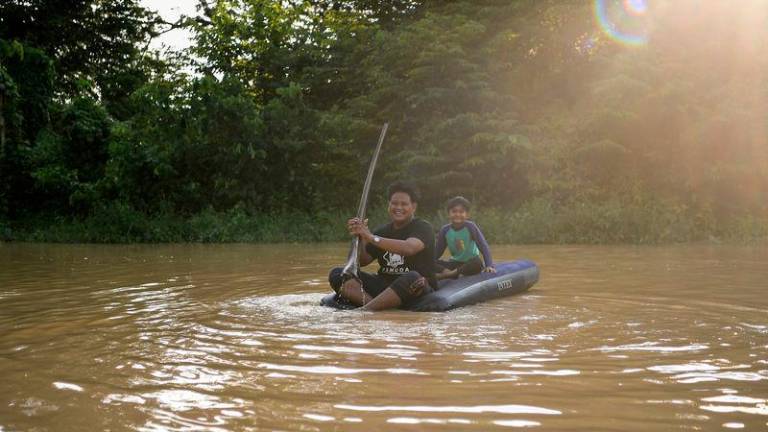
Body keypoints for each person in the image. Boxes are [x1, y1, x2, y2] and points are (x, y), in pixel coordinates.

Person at [328, 182, 437, 311]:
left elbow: (409, 248)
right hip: (385, 285)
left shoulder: (423, 227)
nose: (398, 207)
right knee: (338, 273)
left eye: (404, 204)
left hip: (415, 285)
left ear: (413, 207)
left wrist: (370, 237)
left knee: (413, 277)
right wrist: (360, 238)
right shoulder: (382, 230)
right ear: (388, 205)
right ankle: (372, 307)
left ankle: (366, 311)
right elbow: (362, 261)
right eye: (394, 203)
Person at [434, 196, 495, 280]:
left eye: (461, 212)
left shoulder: (471, 227)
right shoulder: (445, 230)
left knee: (477, 262)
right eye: (454, 211)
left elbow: (483, 246)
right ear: (449, 214)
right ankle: (454, 273)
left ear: (467, 215)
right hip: (454, 264)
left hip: (470, 264)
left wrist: (489, 265)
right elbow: (437, 252)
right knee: (430, 263)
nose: (457, 214)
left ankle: (449, 275)